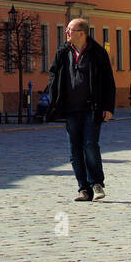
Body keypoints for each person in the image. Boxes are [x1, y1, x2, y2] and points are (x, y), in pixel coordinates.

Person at [42, 17, 116, 201]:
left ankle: (96, 184)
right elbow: (53, 74)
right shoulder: (62, 52)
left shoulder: (97, 53)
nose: (66, 33)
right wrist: (55, 97)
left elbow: (108, 81)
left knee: (90, 145)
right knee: (74, 149)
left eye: (70, 30)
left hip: (92, 107)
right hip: (70, 109)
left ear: (82, 33)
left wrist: (108, 107)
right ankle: (83, 188)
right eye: (67, 30)